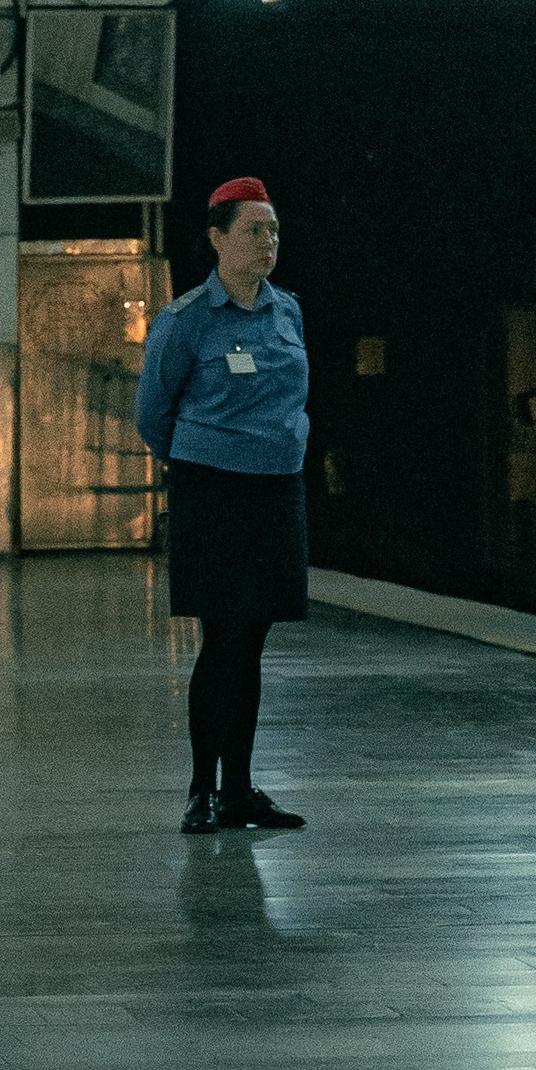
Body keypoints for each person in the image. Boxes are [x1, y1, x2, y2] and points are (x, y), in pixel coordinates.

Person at [135, 177, 310, 833]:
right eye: (252, 231)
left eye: (273, 231)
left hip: (277, 492)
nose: (267, 243)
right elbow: (153, 413)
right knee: (223, 643)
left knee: (252, 642)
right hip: (213, 491)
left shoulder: (287, 311)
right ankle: (201, 790)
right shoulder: (186, 321)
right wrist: (200, 461)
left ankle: (238, 789)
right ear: (216, 238)